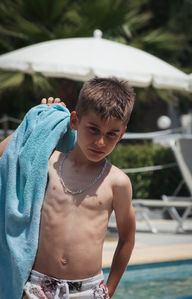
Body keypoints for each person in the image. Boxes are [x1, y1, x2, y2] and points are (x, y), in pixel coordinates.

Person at [0, 77, 136, 299]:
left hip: (88, 289)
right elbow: (7, 155)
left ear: (121, 134)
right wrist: (35, 122)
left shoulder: (117, 182)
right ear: (75, 121)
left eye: (111, 134)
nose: (100, 142)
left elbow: (127, 237)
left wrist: (109, 290)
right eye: (93, 129)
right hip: (37, 287)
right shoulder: (47, 163)